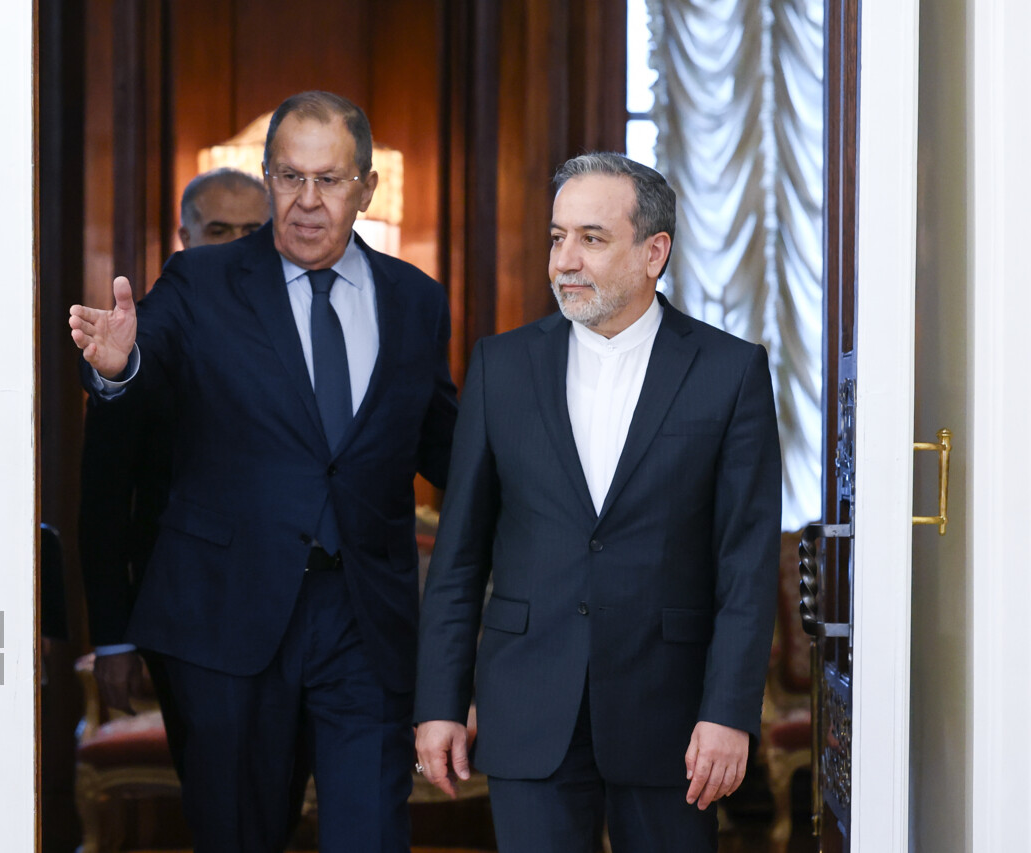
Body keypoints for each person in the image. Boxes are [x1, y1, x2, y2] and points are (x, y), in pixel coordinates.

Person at [69, 91, 458, 853]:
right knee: (240, 834)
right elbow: (143, 365)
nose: (307, 201)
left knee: (372, 833)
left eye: (330, 180)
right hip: (227, 615)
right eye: (289, 177)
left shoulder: (416, 299)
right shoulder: (200, 281)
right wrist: (118, 367)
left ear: (367, 187)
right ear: (269, 178)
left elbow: (443, 443)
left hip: (364, 616)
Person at [413, 152, 781, 852]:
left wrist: (729, 712)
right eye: (557, 237)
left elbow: (746, 566)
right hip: (527, 704)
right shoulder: (500, 366)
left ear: (653, 252)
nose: (565, 261)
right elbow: (459, 556)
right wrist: (439, 702)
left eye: (591, 238)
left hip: (673, 720)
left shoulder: (730, 372)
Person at [80, 168, 270, 715]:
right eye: (219, 230)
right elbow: (105, 499)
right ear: (186, 236)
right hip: (187, 617)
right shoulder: (148, 331)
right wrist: (113, 640)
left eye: (252, 231)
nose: (236, 245)